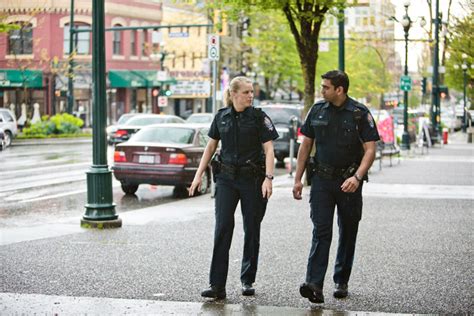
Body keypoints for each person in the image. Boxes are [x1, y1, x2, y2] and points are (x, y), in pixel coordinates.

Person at [292, 70, 380, 304]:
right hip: (321, 180)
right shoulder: (317, 110)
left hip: (349, 182)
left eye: (326, 87)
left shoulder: (360, 113)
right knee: (321, 231)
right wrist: (298, 179)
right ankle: (314, 284)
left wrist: (358, 177)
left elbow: (370, 150)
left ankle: (341, 280)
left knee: (348, 231)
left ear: (339, 89)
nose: (322, 91)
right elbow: (306, 146)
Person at [189, 76, 279, 299]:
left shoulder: (259, 117)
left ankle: (247, 279)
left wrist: (268, 178)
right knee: (222, 229)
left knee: (251, 229)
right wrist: (198, 175)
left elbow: (269, 150)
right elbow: (210, 148)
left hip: (252, 180)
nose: (251, 95)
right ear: (234, 94)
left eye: (251, 92)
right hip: (227, 179)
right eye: (247, 92)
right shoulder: (221, 117)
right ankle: (217, 285)